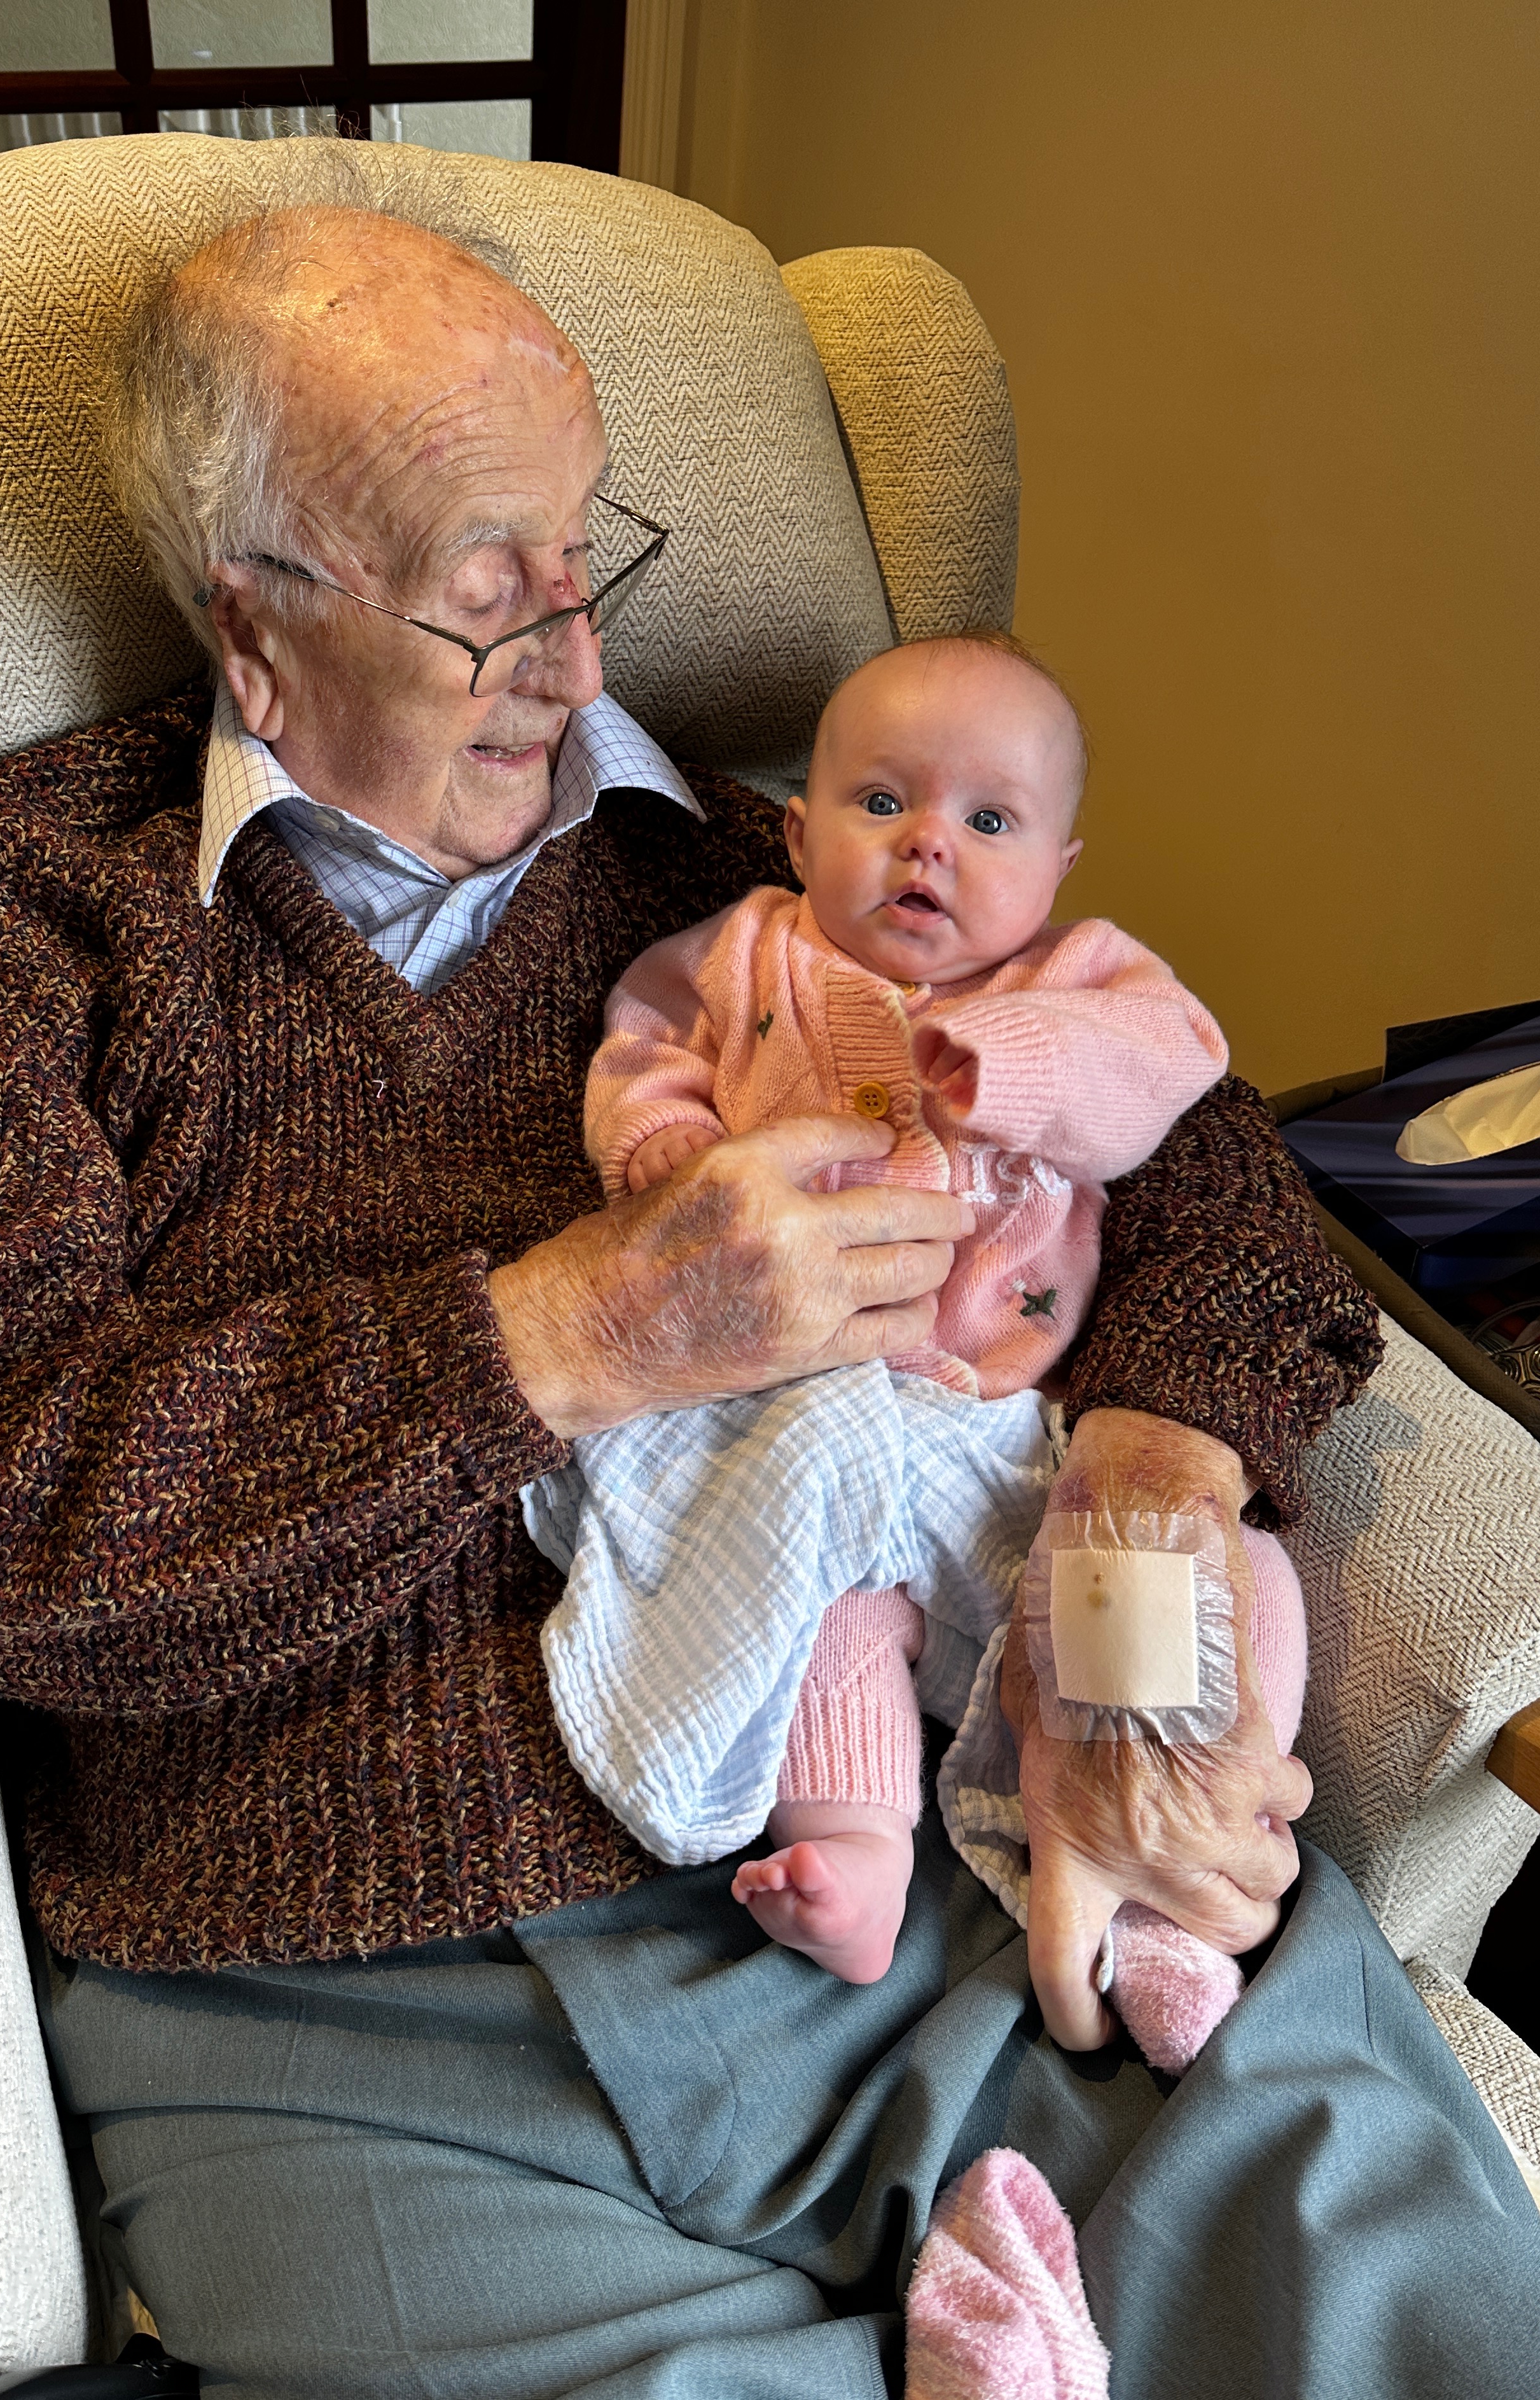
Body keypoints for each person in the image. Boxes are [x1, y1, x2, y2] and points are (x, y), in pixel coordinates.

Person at [0, 205, 1540, 2399]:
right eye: (486, 591)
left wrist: (1144, 1500)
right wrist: (565, 1333)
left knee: (1424, 2314)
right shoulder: (36, 903)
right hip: (335, 1989)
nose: (578, 661)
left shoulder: (777, 863)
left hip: (939, 1868)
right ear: (253, 627)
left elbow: (1201, 1159)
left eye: (588, 555)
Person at [529, 633, 1305, 2077]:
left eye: (989, 821)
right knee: (828, 1616)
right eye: (882, 804)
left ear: (1061, 866)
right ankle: (856, 1857)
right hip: (801, 1407)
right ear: (798, 834)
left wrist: (1012, 1061)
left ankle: (1168, 1914)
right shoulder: (743, 951)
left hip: (1003, 1435)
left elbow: (1170, 1063)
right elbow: (641, 1052)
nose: (927, 845)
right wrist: (672, 1160)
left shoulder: (1080, 975)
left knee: (1219, 1577)